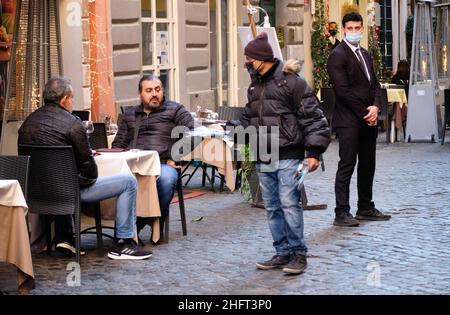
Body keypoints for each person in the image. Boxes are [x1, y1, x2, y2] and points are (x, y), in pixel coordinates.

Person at [18, 76, 153, 260]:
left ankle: (65, 237)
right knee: (128, 181)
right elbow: (90, 170)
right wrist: (78, 180)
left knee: (62, 177)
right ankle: (123, 243)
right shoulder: (73, 124)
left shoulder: (27, 123)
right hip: (67, 194)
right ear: (65, 99)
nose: (72, 102)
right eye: (72, 98)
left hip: (35, 195)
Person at [233, 32, 330, 275]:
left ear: (260, 59)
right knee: (273, 207)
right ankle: (282, 251)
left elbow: (314, 118)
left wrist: (314, 152)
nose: (246, 62)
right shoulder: (255, 84)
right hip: (263, 155)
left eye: (248, 58)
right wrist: (231, 127)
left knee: (289, 205)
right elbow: (250, 115)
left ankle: (298, 254)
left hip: (290, 155)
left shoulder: (292, 82)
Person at [327, 12, 391, 227]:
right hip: (348, 120)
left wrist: (375, 106)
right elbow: (342, 91)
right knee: (347, 164)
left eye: (357, 28)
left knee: (368, 164)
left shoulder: (365, 53)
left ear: (362, 28)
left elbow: (374, 84)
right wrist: (366, 112)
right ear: (344, 29)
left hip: (368, 118)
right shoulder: (337, 54)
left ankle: (365, 207)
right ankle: (341, 212)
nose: (354, 32)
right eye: (350, 28)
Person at [112, 75, 194, 241]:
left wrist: (174, 157)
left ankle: (154, 219)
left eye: (157, 89)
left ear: (163, 91)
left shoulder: (175, 110)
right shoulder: (130, 114)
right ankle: (132, 224)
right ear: (140, 94)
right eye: (149, 90)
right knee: (117, 182)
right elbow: (118, 145)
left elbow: (193, 133)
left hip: (163, 163)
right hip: (134, 166)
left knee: (166, 180)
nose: (154, 94)